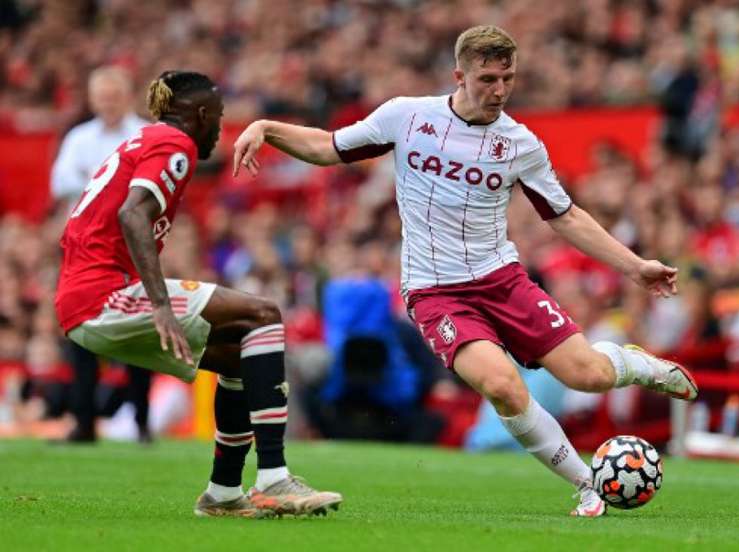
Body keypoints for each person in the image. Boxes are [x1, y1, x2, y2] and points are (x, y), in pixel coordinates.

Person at [233, 25, 699, 517]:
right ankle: (588, 483)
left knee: (589, 376)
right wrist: (266, 127)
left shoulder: (520, 144)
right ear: (459, 75)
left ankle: (639, 364)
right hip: (436, 293)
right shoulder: (407, 118)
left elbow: (565, 216)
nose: (499, 90)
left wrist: (635, 266)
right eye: (488, 78)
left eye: (508, 79)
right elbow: (328, 147)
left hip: (501, 279)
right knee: (501, 385)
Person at [54, 70, 342, 518]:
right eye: (220, 117)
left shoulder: (144, 140)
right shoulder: (176, 144)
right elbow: (133, 215)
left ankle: (224, 493)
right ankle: (274, 479)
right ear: (202, 114)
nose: (219, 128)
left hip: (82, 298)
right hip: (103, 293)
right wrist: (161, 305)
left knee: (238, 358)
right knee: (264, 314)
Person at [51, 66, 152, 443]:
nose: (108, 102)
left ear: (127, 96)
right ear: (93, 99)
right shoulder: (79, 137)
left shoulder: (145, 134)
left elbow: (150, 187)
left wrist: (93, 181)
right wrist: (115, 186)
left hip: (130, 249)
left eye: (114, 94)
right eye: (102, 95)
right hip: (86, 251)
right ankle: (84, 423)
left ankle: (142, 421)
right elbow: (60, 182)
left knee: (140, 334)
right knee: (80, 332)